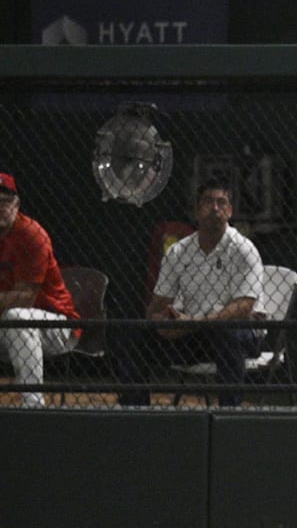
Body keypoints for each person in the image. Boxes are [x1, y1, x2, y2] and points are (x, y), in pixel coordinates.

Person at [114, 178, 263, 407]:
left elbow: (243, 308)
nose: (215, 208)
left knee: (228, 333)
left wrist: (195, 321)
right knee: (135, 334)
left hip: (239, 332)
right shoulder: (179, 251)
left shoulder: (244, 249)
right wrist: (163, 324)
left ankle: (230, 415)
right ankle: (136, 411)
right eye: (208, 202)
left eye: (221, 202)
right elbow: (157, 306)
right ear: (196, 210)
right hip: (193, 333)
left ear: (230, 211)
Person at [0, 172, 81, 407]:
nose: (0, 208)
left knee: (17, 316)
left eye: (4, 202)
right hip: (5, 322)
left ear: (17, 204)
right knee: (11, 317)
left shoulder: (30, 234)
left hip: (56, 325)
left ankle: (34, 405)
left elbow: (25, 297)